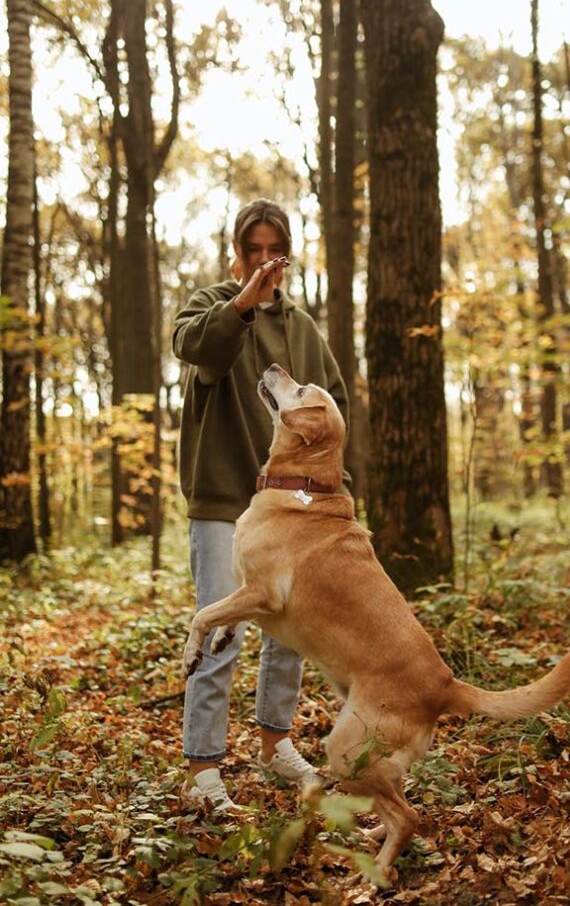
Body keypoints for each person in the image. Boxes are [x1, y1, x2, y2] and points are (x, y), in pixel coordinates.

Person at [173, 198, 349, 812]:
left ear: (288, 254)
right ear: (237, 252)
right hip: (223, 494)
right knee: (220, 624)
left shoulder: (303, 328)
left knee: (290, 630)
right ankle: (203, 769)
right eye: (253, 248)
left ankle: (275, 744)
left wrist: (333, 488)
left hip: (295, 506)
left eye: (274, 249)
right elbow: (195, 347)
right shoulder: (212, 307)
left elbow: (335, 407)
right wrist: (244, 301)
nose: (264, 260)